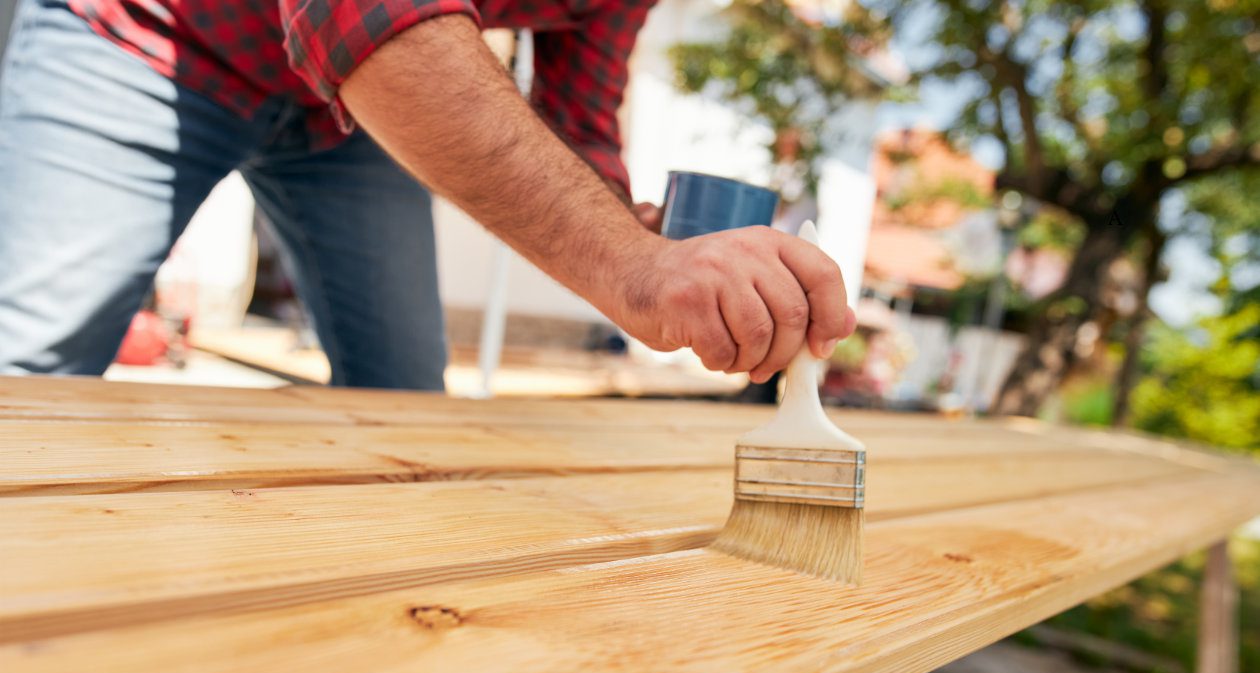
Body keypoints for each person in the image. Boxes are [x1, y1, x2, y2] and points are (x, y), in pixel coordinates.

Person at [0, 0, 855, 390]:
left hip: (344, 119)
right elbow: (360, 13)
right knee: (27, 372)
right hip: (155, 36)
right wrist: (634, 272)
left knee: (403, 400)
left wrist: (643, 234)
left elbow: (580, 117)